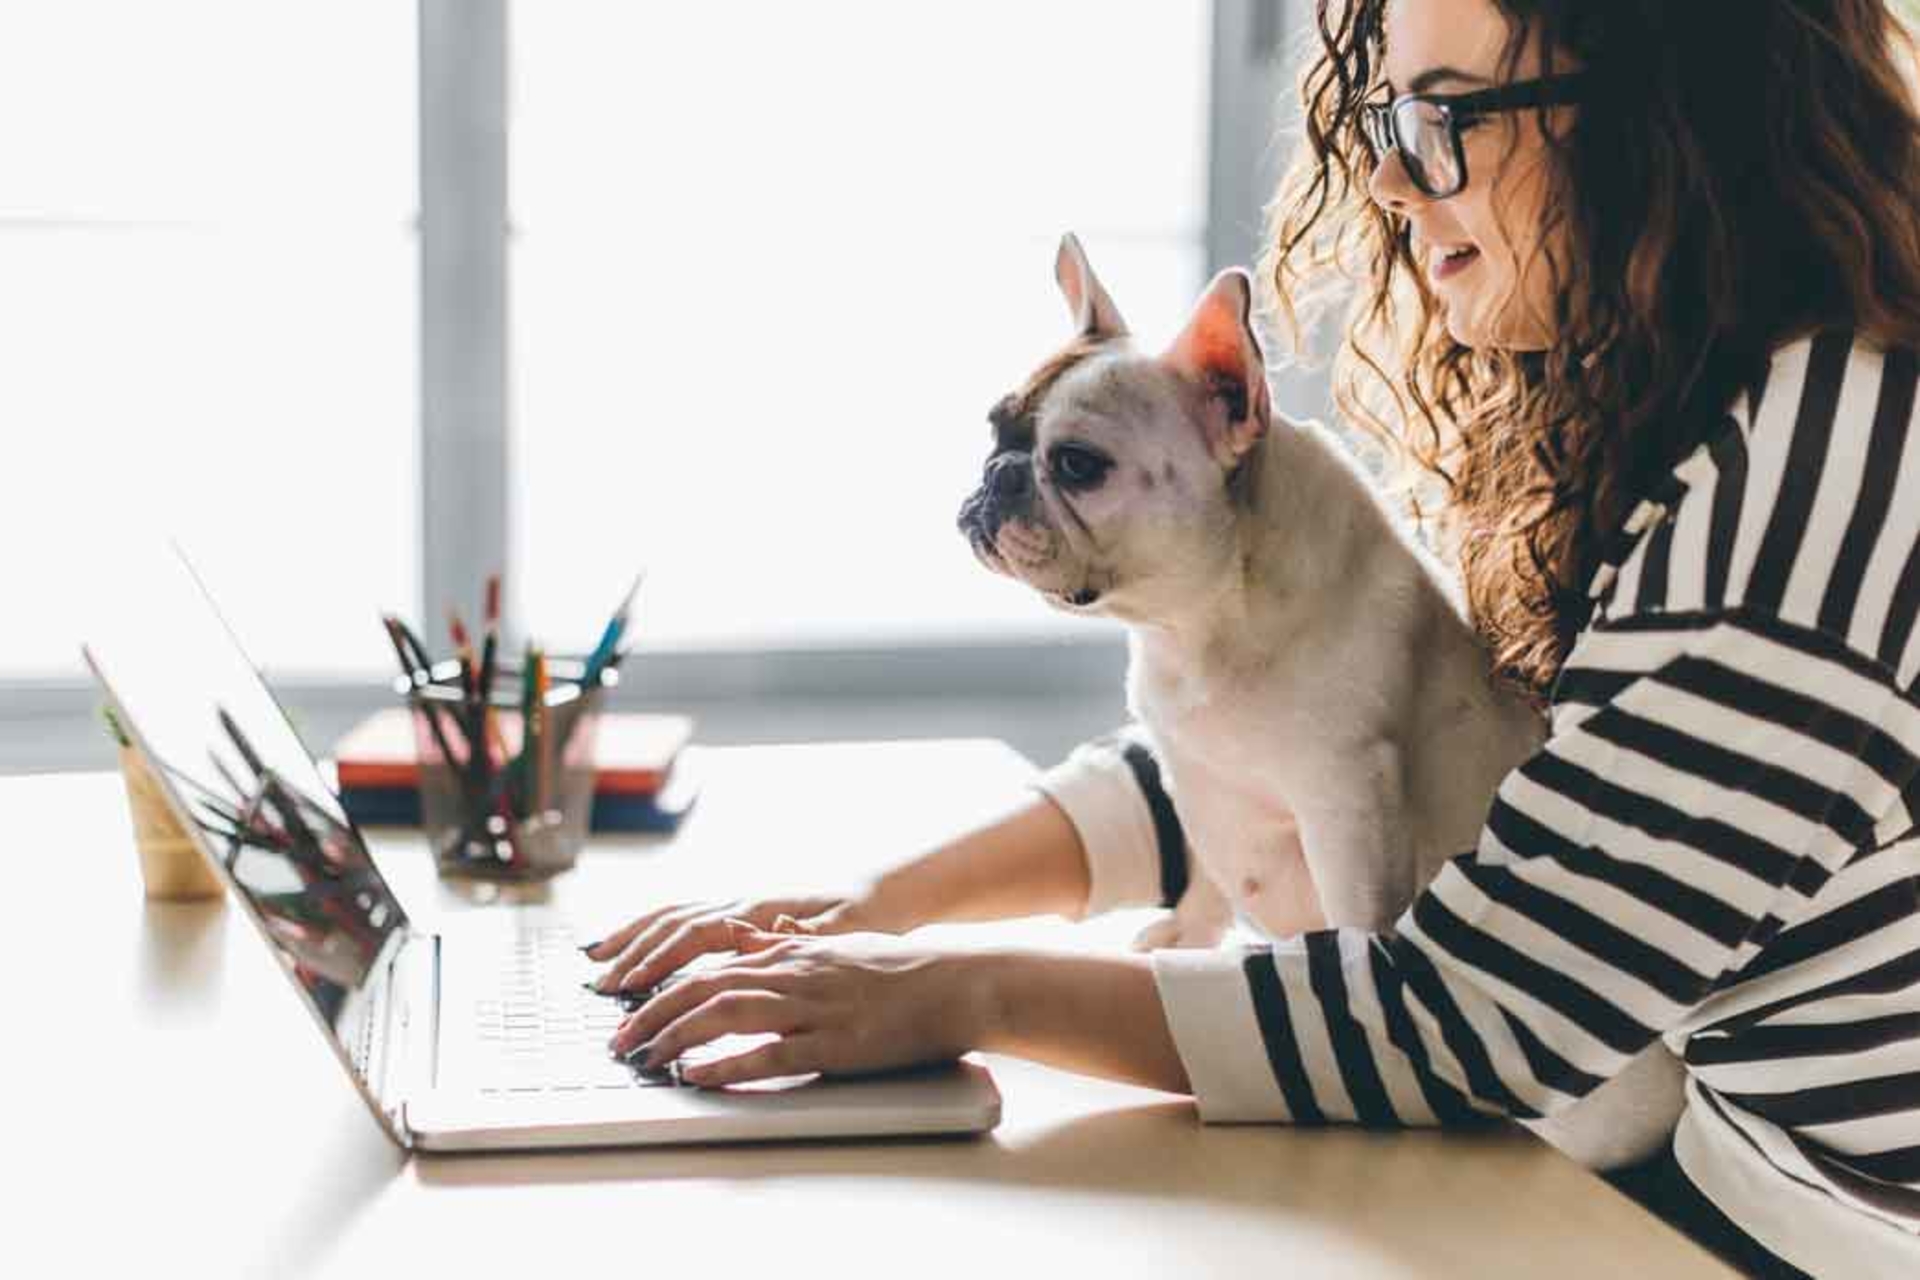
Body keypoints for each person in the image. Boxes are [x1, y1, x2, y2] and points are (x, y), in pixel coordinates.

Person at [587, 2, 1920, 1273]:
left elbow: (1478, 1017)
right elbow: (1267, 752)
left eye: (1445, 119)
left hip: (1779, 1227)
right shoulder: (1700, 406)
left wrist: (954, 993)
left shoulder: (1811, 478)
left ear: (1665, 109)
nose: (1394, 187)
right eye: (1389, 121)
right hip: (1692, 1170)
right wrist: (870, 914)